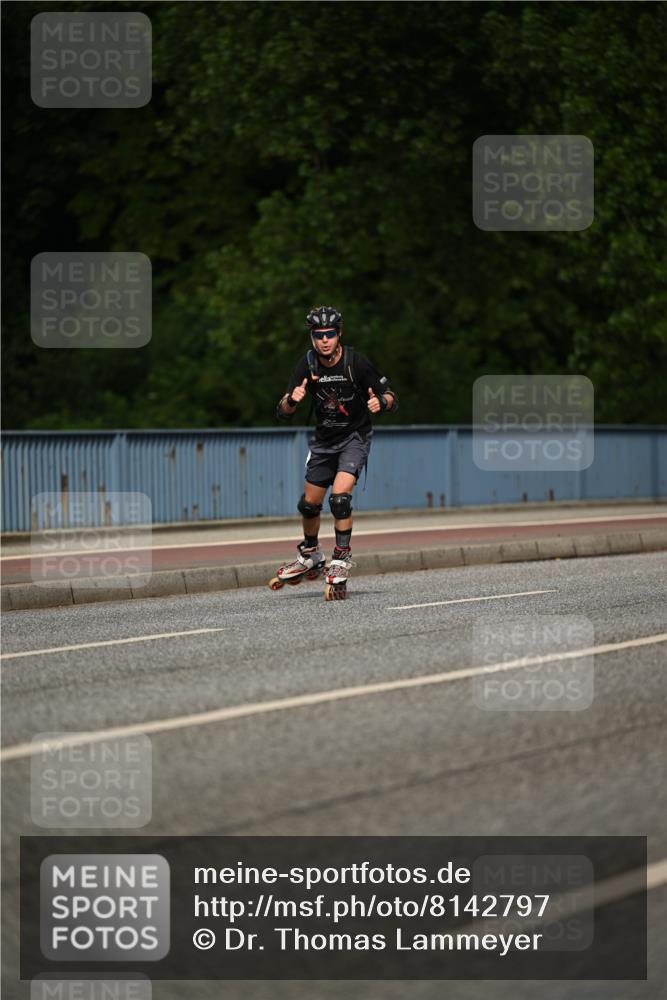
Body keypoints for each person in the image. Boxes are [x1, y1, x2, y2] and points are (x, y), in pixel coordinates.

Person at [272, 305, 398, 600]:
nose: (324, 340)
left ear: (339, 334)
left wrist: (382, 402)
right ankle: (311, 554)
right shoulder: (307, 364)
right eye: (319, 335)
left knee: (340, 499)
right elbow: (282, 411)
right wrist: (292, 400)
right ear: (312, 337)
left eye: (329, 334)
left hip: (354, 438)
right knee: (308, 505)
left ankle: (340, 559)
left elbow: (392, 396)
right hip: (324, 442)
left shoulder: (356, 362)